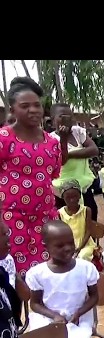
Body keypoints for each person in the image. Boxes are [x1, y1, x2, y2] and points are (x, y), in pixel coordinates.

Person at [26, 221, 99, 338]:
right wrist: (53, 316)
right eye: (59, 246)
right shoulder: (38, 273)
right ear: (46, 246)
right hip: (49, 318)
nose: (67, 249)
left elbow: (94, 297)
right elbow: (35, 303)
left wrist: (79, 312)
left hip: (78, 318)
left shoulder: (85, 268)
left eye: (70, 243)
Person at [0, 77, 68, 277]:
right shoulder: (4, 138)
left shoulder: (51, 143)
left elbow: (54, 174)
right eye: (25, 106)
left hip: (45, 220)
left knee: (46, 276)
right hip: (11, 219)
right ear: (12, 110)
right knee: (14, 279)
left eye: (37, 105)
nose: (33, 110)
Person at [50, 103, 99, 221]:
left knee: (90, 220)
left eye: (70, 116)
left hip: (83, 187)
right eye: (62, 116)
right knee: (68, 224)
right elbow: (61, 161)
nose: (67, 119)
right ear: (53, 120)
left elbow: (94, 150)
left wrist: (69, 154)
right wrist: (64, 139)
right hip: (63, 190)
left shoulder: (78, 132)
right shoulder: (50, 139)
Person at [58, 179, 97, 262]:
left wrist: (79, 248)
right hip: (68, 246)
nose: (72, 200)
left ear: (80, 196)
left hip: (85, 244)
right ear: (63, 198)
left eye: (74, 196)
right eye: (68, 198)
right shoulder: (60, 213)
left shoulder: (86, 210)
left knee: (82, 257)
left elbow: (88, 231)